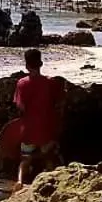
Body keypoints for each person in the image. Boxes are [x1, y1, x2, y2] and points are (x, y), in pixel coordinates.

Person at [13, 49, 64, 189]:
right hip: (47, 127)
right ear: (41, 63)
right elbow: (58, 104)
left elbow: (21, 107)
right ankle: (51, 182)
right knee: (48, 157)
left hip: (29, 128)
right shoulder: (51, 83)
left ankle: (20, 182)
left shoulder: (21, 83)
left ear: (26, 66)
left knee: (25, 159)